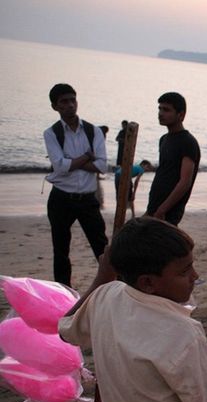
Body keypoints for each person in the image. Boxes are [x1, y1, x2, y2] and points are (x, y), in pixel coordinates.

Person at [59, 218, 207, 402]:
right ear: (148, 282)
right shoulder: (184, 333)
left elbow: (65, 329)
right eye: (184, 271)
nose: (195, 276)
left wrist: (102, 279)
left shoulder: (105, 296)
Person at [43, 83, 109, 287]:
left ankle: (112, 287)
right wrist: (86, 157)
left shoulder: (93, 131)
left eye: (73, 100)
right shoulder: (52, 133)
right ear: (55, 106)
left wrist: (73, 161)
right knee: (61, 251)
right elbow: (60, 167)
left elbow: (102, 165)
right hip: (61, 198)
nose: (70, 105)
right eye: (64, 101)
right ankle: (63, 292)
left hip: (87, 199)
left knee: (102, 248)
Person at [146, 92, 201, 225]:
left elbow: (185, 182)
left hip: (168, 212)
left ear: (181, 115)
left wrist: (162, 210)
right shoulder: (164, 139)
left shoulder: (187, 142)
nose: (160, 113)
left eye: (166, 110)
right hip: (154, 207)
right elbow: (165, 171)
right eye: (159, 108)